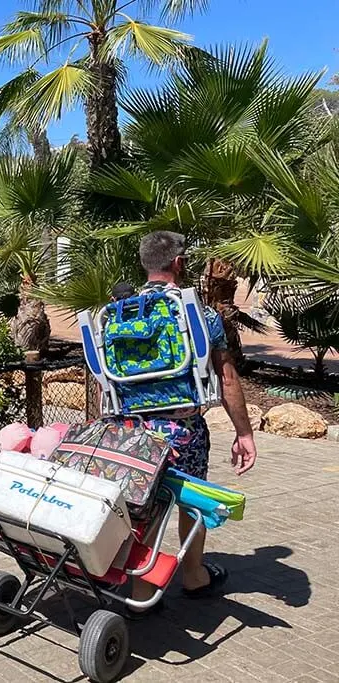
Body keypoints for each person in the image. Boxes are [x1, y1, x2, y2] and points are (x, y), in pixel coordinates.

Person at [127, 230, 257, 617]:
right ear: (179, 263)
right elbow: (227, 379)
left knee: (141, 504)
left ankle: (137, 583)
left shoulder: (120, 311)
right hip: (183, 430)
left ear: (145, 263)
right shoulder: (201, 316)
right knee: (190, 499)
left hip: (131, 429)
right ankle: (194, 576)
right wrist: (244, 432)